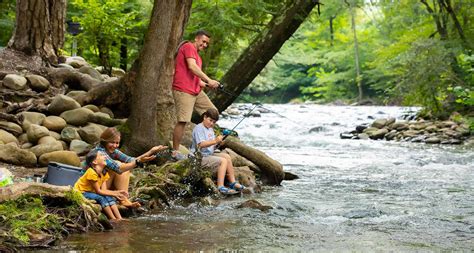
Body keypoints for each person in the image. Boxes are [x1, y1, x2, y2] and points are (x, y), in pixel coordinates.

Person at [171, 30, 221, 160]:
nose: (205, 45)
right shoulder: (188, 47)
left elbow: (195, 78)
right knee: (183, 121)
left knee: (213, 112)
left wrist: (207, 84)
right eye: (203, 41)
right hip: (183, 89)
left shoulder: (198, 57)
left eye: (207, 43)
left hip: (195, 90)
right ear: (197, 39)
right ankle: (175, 152)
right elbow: (192, 67)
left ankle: (206, 146)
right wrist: (209, 80)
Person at [92, 127, 167, 207]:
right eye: (112, 142)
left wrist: (151, 151)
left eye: (117, 143)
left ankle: (124, 199)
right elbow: (119, 169)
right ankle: (123, 200)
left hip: (104, 183)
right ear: (105, 141)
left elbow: (131, 160)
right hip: (94, 187)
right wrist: (138, 162)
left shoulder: (113, 150)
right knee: (120, 165)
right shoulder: (99, 152)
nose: (115, 145)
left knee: (126, 167)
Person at [190, 108, 245, 194]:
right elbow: (200, 145)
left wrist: (218, 144)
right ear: (205, 117)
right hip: (199, 157)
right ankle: (220, 186)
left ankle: (232, 182)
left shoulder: (210, 129)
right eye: (210, 120)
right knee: (222, 161)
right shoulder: (199, 128)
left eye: (214, 122)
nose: (211, 123)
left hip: (208, 155)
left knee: (227, 157)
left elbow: (210, 145)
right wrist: (215, 140)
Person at [74, 150, 127, 221]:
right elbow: (98, 191)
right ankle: (113, 219)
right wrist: (115, 193)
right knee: (101, 198)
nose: (105, 157)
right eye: (101, 155)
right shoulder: (91, 172)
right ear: (94, 162)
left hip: (91, 192)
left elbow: (104, 191)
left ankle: (120, 218)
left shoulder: (103, 173)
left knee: (109, 197)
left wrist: (118, 193)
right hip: (82, 192)